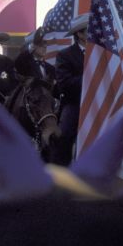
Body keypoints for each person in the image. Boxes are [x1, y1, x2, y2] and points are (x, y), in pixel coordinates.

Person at [52, 14, 88, 165]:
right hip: (74, 104)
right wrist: (89, 78)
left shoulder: (101, 53)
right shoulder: (65, 55)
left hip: (99, 104)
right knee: (64, 135)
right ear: (79, 34)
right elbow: (64, 83)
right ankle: (60, 169)